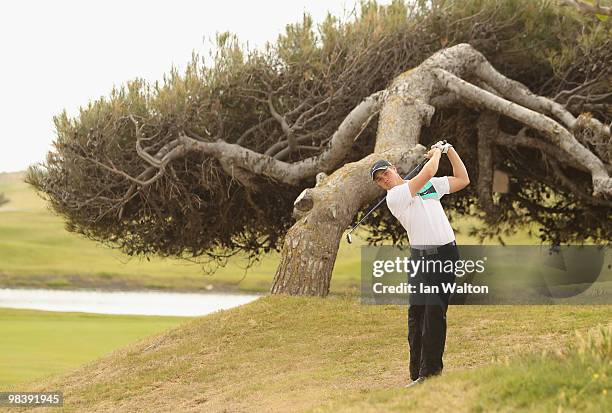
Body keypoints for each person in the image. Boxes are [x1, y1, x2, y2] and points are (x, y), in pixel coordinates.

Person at [369, 141, 470, 388]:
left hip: (445, 256)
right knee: (416, 315)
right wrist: (436, 153)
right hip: (420, 259)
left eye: (385, 173)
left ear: (394, 168)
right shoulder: (395, 197)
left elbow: (462, 179)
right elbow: (428, 171)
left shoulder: (428, 188)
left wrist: (450, 151)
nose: (385, 179)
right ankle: (417, 372)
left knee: (434, 314)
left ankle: (430, 374)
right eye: (380, 180)